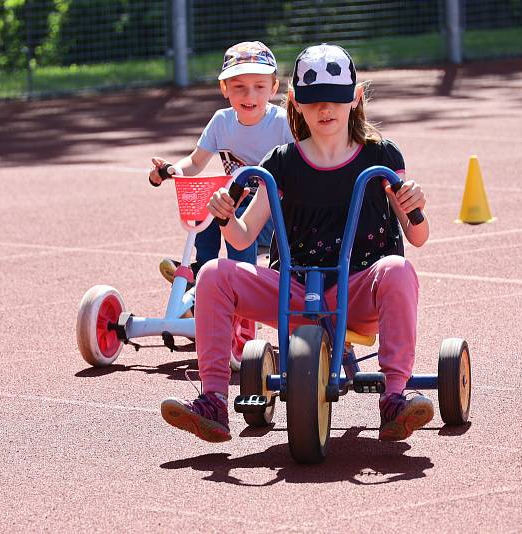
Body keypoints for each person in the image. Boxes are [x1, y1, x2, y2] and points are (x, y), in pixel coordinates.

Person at [160, 43, 434, 444]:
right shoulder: (280, 162)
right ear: (294, 102)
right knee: (214, 274)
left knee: (397, 268)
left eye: (337, 100)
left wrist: (414, 206)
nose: (326, 110)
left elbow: (418, 237)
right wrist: (223, 216)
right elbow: (242, 236)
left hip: (357, 290)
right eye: (314, 101)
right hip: (295, 288)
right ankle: (213, 400)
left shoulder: (381, 156)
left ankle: (394, 398)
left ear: (355, 99)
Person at [148, 41, 293, 284]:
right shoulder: (221, 122)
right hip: (236, 202)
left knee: (230, 209)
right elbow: (194, 162)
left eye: (259, 86)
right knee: (210, 202)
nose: (250, 95)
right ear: (224, 88)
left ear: (273, 88)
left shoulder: (282, 123)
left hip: (274, 214)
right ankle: (203, 272)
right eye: (239, 87)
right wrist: (171, 170)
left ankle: (244, 280)